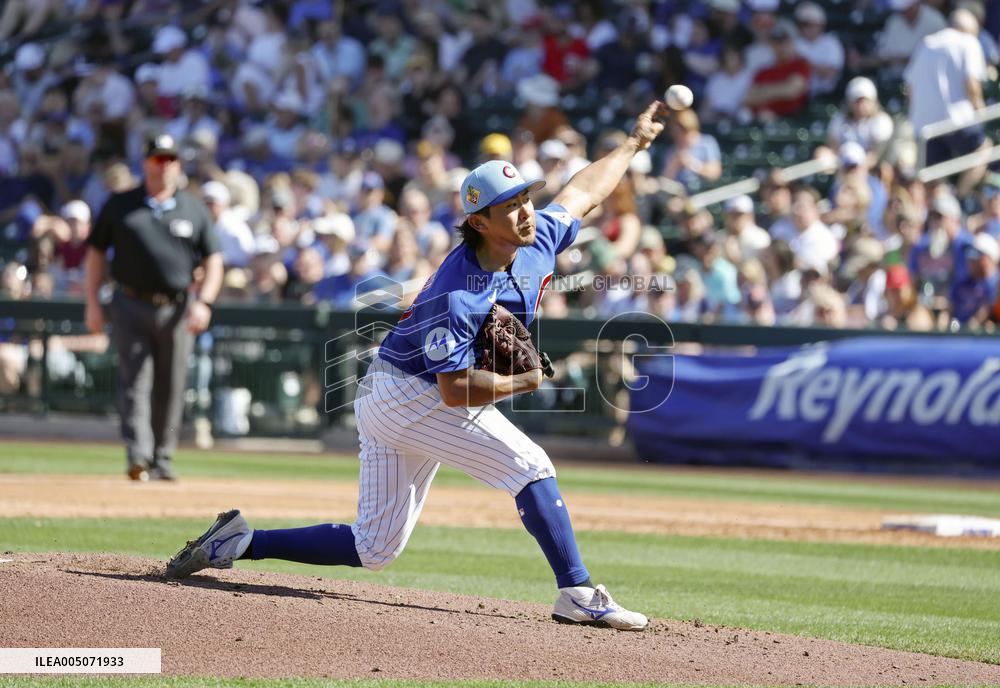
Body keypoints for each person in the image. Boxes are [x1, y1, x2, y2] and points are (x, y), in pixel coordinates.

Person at [165, 101, 669, 631]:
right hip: (411, 394)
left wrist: (633, 144)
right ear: (479, 221)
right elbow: (454, 391)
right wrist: (523, 380)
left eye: (526, 196)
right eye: (511, 205)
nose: (526, 210)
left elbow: (584, 192)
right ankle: (577, 590)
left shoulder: (536, 235)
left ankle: (239, 542)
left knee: (374, 547)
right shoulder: (459, 294)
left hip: (394, 391)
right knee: (531, 465)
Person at [84, 133, 222, 481]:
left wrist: (204, 301)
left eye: (170, 159)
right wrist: (92, 302)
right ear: (145, 162)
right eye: (158, 159)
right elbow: (96, 253)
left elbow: (214, 259)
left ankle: (162, 458)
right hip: (129, 301)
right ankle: (138, 456)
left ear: (178, 165)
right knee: (134, 382)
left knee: (171, 385)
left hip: (177, 306)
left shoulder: (193, 207)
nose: (164, 166)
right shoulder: (120, 204)